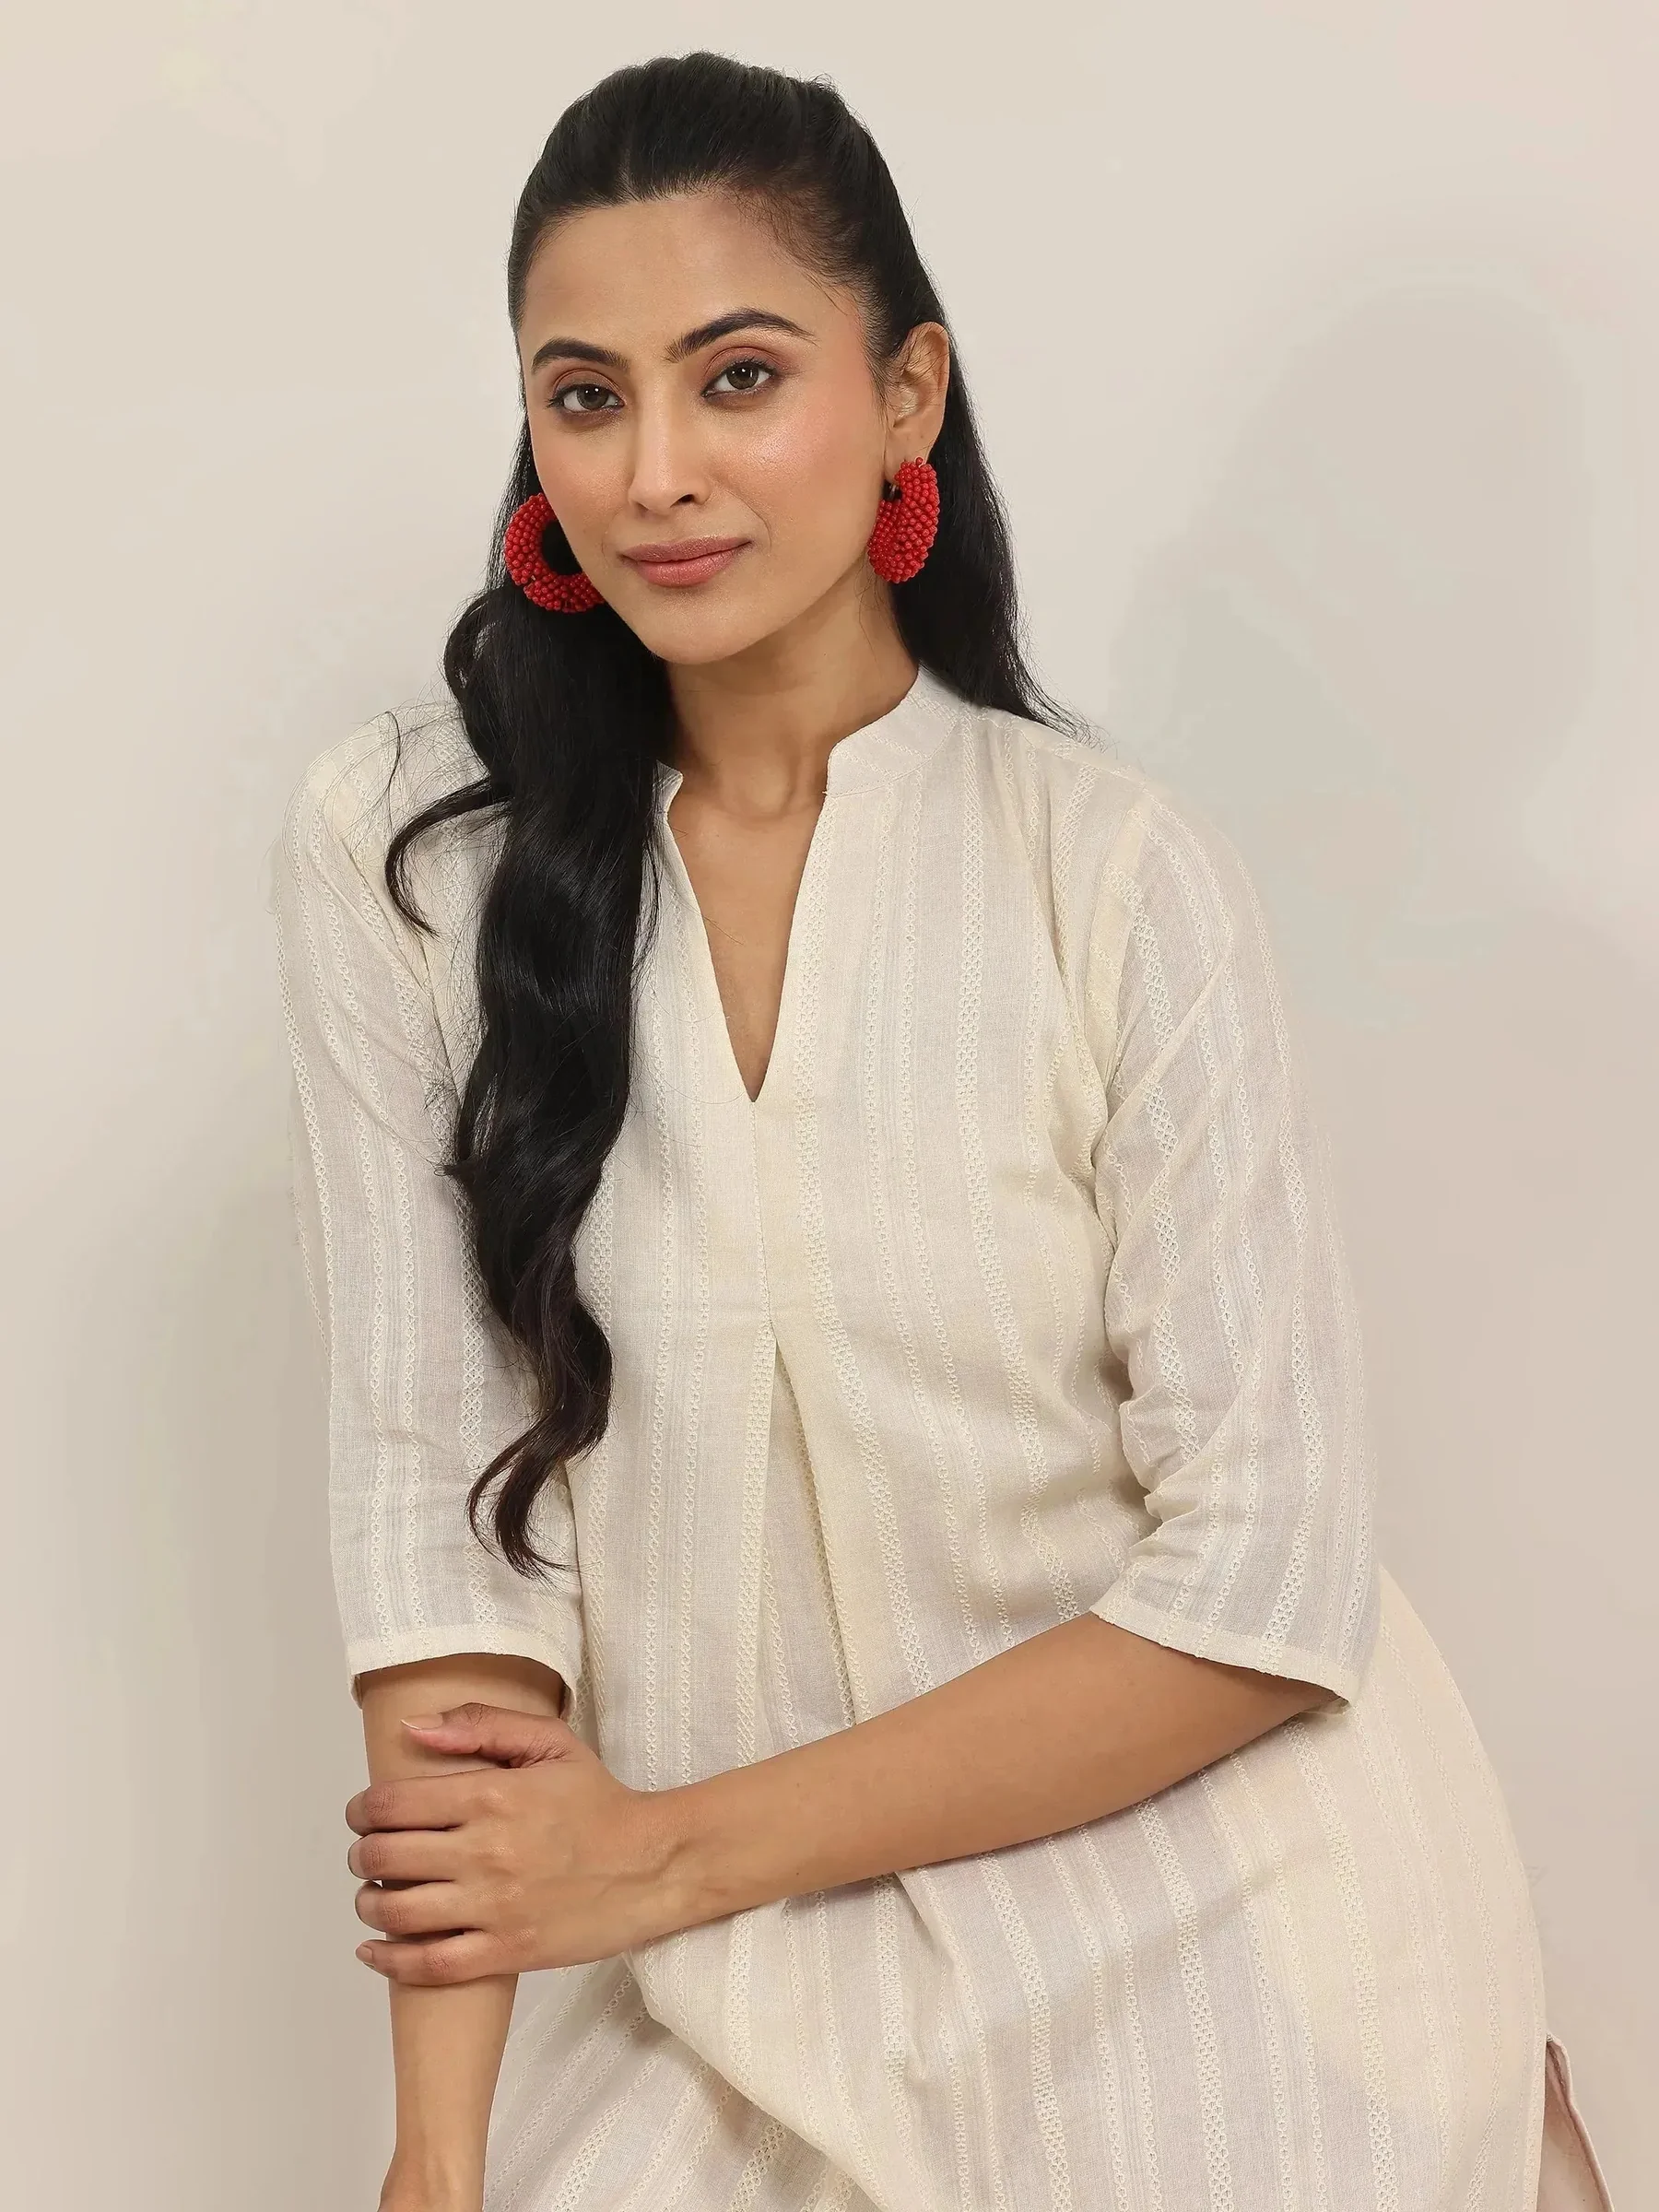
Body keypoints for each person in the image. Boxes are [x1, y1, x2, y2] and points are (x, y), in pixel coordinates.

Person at [269, 51, 1593, 2212]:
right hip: (740, 1996)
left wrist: (657, 1854)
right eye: (586, 397)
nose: (657, 473)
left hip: (1223, 1955)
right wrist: (436, 2158)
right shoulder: (417, 866)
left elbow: (1262, 1580)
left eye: (739, 376)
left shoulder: (1117, 878)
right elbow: (439, 1516)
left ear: (907, 396)